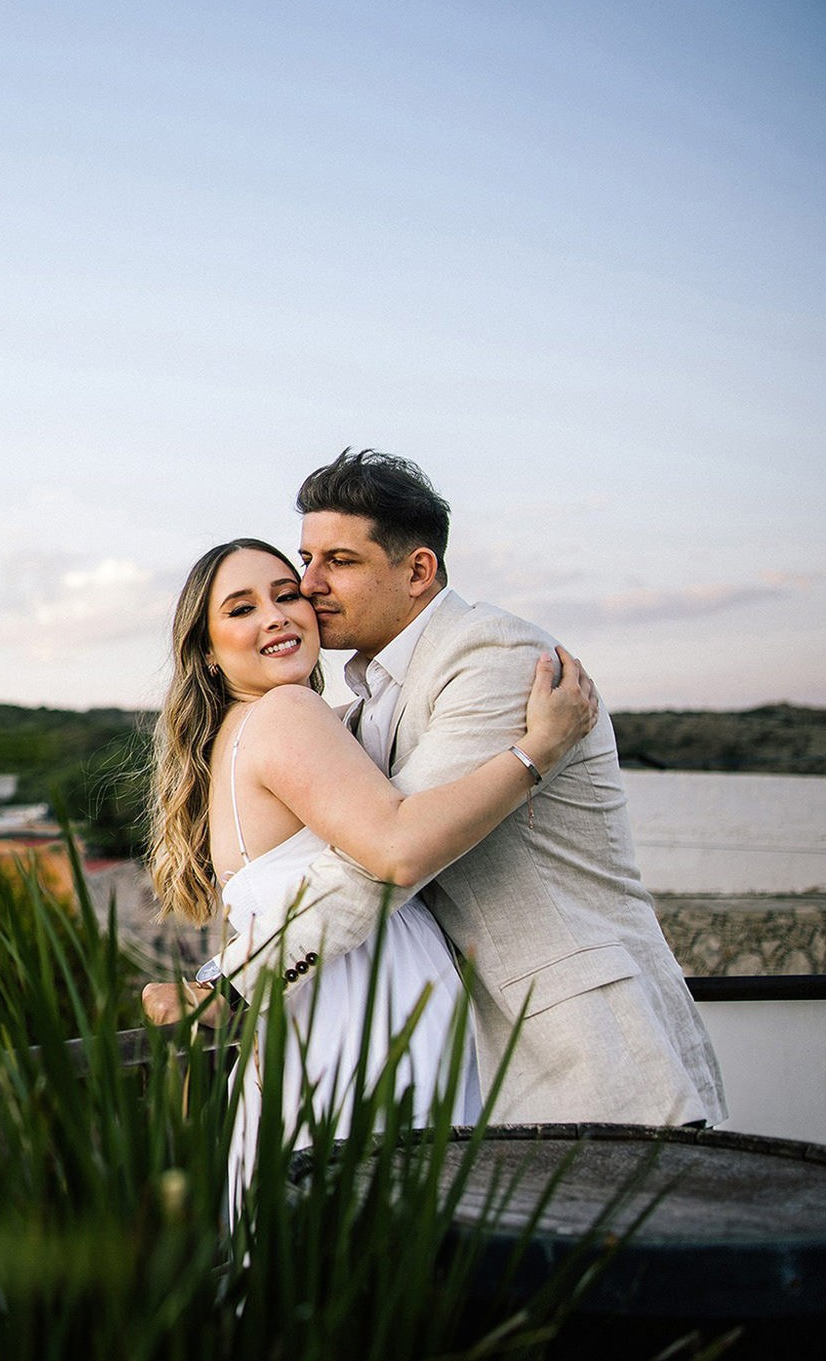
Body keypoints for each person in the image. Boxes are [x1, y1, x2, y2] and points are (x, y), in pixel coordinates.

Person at [168, 450, 725, 1129]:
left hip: (585, 1045)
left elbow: (382, 860)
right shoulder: (352, 707)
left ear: (418, 570)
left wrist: (232, 984)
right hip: (454, 1056)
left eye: (336, 562)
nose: (309, 585)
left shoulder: (493, 657)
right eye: (305, 560)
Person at [140, 537, 598, 1188]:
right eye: (241, 608)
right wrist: (537, 753)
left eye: (285, 593)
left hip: (311, 1014)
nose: (273, 615)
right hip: (367, 1007)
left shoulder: (234, 736)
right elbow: (394, 846)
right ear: (209, 655)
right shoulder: (288, 712)